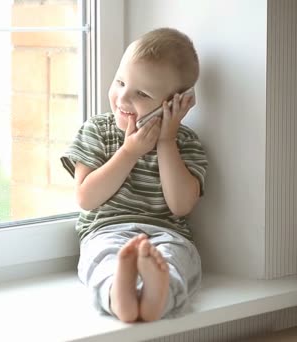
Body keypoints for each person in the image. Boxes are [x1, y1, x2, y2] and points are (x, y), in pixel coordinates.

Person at [60, 27, 207, 323]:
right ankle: (119, 293)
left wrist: (166, 141)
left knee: (179, 261)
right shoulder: (98, 131)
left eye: (141, 93)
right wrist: (129, 152)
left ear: (174, 103)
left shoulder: (185, 143)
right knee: (102, 260)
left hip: (169, 234)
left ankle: (157, 297)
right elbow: (86, 197)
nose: (123, 98)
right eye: (120, 82)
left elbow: (180, 206)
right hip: (107, 231)